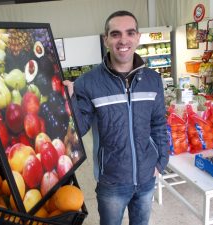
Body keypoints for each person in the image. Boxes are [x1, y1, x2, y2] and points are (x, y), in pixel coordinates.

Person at [63, 10, 169, 225]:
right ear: (106, 39)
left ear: (138, 37)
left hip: (147, 176)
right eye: (115, 34)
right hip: (112, 180)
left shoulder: (153, 80)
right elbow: (79, 129)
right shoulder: (88, 82)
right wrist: (69, 100)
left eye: (130, 33)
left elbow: (159, 123)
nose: (123, 40)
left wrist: (161, 161)